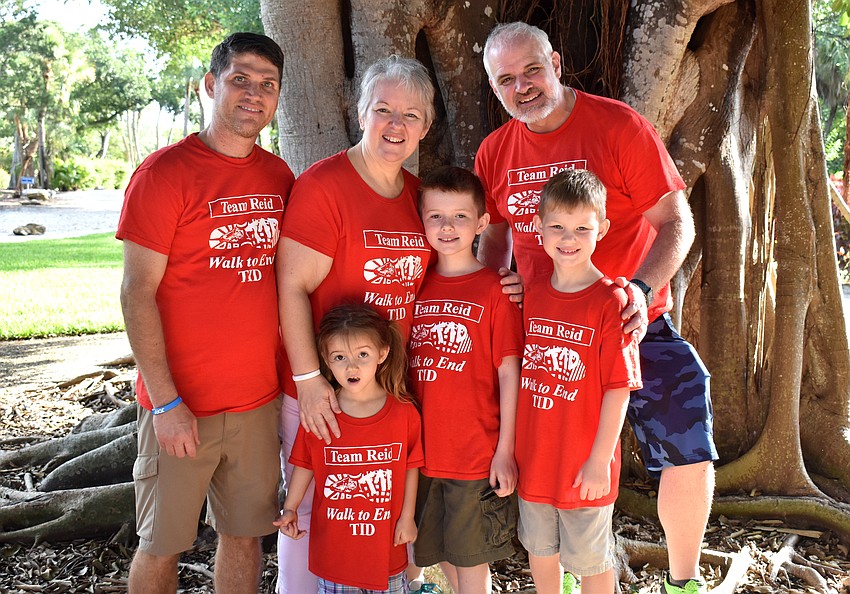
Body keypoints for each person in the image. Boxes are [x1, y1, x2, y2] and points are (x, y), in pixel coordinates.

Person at [475, 22, 718, 594]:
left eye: (532, 70)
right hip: (543, 335)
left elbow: (675, 221)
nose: (523, 87)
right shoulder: (496, 151)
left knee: (687, 437)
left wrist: (639, 288)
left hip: (630, 320)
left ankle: (684, 580)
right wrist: (498, 279)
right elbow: (493, 235)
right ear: (493, 88)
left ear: (556, 63)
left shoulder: (618, 127)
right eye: (506, 79)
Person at [117, 32, 294, 594]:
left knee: (244, 538)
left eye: (268, 85)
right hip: (179, 405)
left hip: (256, 405)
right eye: (240, 79)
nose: (253, 94)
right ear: (210, 85)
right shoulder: (164, 174)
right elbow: (135, 292)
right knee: (162, 543)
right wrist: (165, 400)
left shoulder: (278, 177)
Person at [274, 55, 435, 593]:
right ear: (359, 113)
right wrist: (309, 382)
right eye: (383, 110)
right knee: (314, 515)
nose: (396, 125)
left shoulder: (418, 198)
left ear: (426, 126)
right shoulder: (325, 187)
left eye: (411, 115)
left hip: (387, 389)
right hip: (326, 385)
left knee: (374, 511)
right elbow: (292, 286)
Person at [516, 168, 641, 593]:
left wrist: (599, 460)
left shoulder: (612, 302)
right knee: (540, 548)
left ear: (602, 229)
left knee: (591, 559)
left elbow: (618, 388)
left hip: (584, 462)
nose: (568, 239)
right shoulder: (531, 293)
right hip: (533, 458)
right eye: (558, 227)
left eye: (582, 229)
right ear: (538, 228)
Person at [408, 166, 523, 594]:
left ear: (481, 223)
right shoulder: (413, 286)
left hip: (475, 455)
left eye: (460, 216)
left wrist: (505, 451)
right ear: (421, 220)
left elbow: (509, 373)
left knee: (471, 561)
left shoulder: (496, 290)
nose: (447, 226)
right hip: (420, 454)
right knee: (434, 549)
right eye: (435, 216)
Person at [275, 304, 423, 593]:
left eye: (362, 355)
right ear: (326, 361)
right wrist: (290, 507)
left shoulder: (402, 413)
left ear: (382, 353)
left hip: (386, 549)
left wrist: (407, 517)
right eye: (339, 357)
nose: (351, 367)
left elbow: (411, 467)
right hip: (336, 553)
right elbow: (305, 464)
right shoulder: (323, 413)